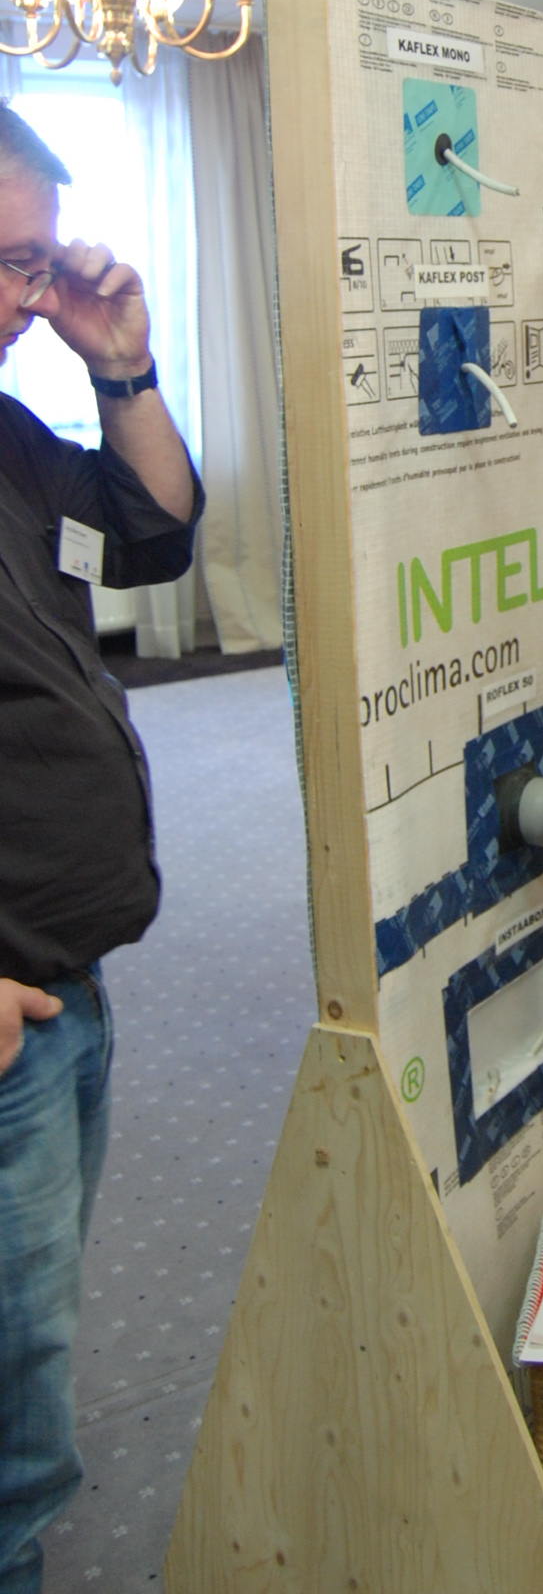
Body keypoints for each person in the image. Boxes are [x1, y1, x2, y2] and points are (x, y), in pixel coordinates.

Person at [0, 103, 200, 1594]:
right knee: (14, 1399)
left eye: (37, 262)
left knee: (30, 1348)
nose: (30, 296)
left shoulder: (8, 431)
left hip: (63, 978)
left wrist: (119, 363)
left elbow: (153, 533)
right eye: (12, 263)